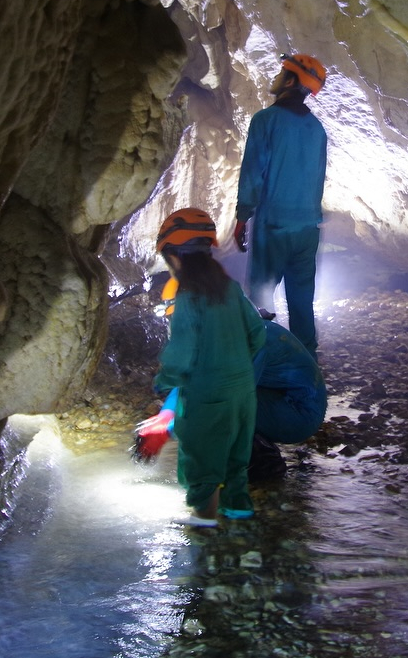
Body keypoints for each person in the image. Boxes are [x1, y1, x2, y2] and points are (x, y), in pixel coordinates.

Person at [151, 207, 267, 527]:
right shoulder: (230, 288)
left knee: (202, 457)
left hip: (207, 394)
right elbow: (257, 333)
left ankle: (204, 524)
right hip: (244, 393)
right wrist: (238, 364)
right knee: (235, 458)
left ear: (174, 257)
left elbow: (181, 353)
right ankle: (238, 512)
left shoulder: (188, 297)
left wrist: (164, 380)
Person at [134, 292, 327, 483]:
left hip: (299, 414)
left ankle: (262, 461)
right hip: (276, 397)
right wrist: (166, 415)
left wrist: (168, 430)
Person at [233, 53, 328, 353]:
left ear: (290, 81)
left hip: (274, 225)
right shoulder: (317, 130)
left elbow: (252, 173)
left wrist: (242, 216)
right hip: (308, 228)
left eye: (281, 72)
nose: (276, 77)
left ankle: (263, 365)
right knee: (302, 303)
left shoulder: (266, 120)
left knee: (261, 300)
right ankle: (307, 369)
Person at [249, 319, 328, 480]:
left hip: (299, 416)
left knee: (218, 402)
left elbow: (233, 392)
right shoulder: (250, 325)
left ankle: (264, 459)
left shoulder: (253, 339)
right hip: (294, 404)